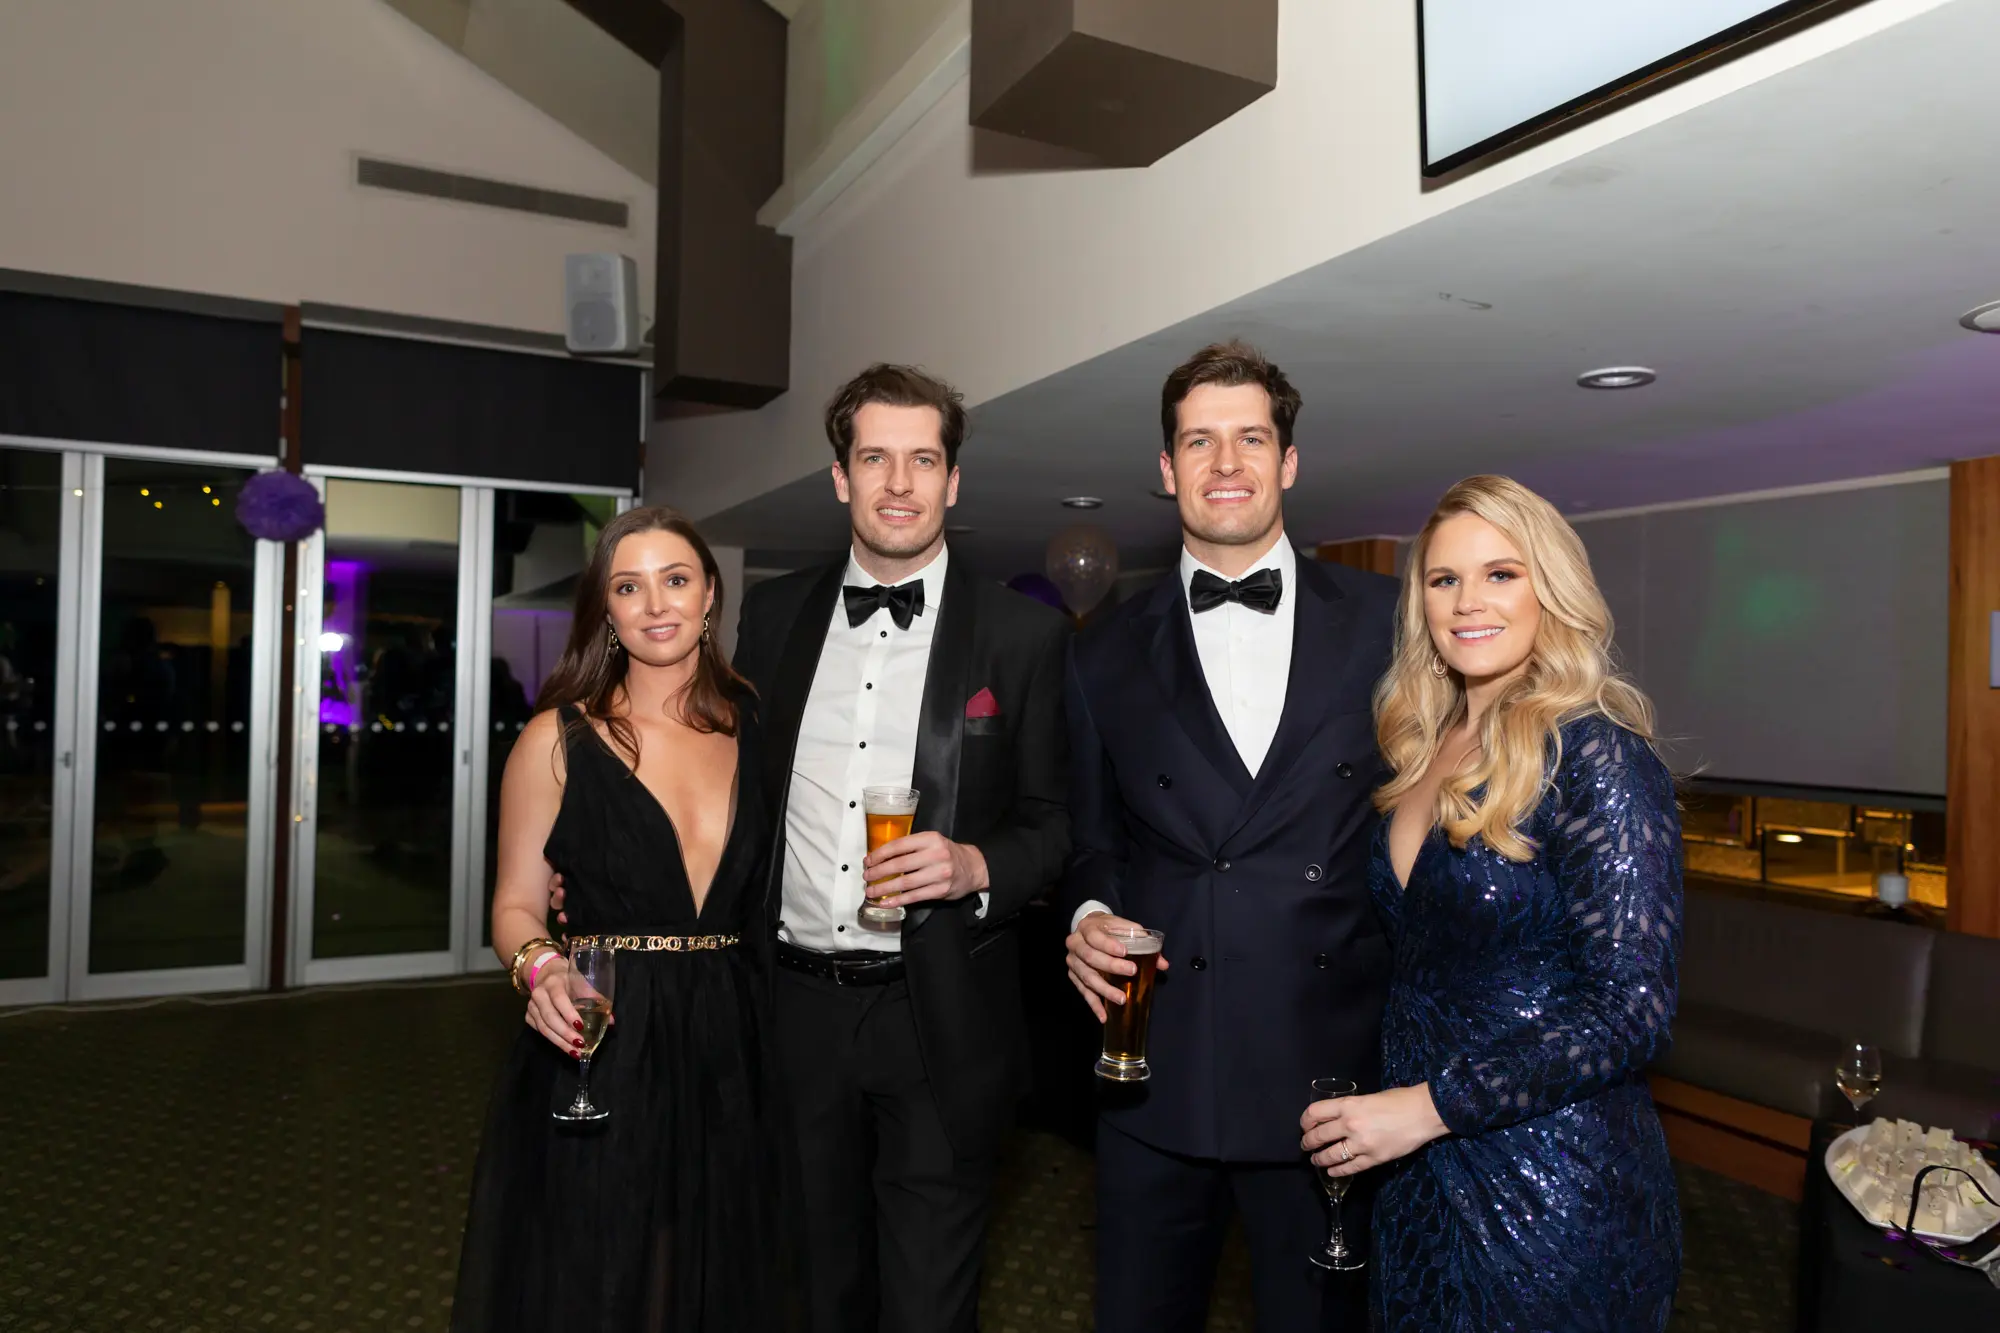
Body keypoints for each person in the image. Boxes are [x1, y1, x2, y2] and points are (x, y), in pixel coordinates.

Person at [1064, 341, 1397, 1332]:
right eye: (1197, 440)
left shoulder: (1389, 622)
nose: (1224, 462)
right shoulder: (1098, 650)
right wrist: (1085, 913)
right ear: (1165, 469)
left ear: (1287, 461)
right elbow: (1093, 839)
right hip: (1158, 1068)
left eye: (1249, 437)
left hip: (1329, 1068)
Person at [731, 363, 1071, 1332]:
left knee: (928, 1303)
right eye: (874, 457)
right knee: (813, 1290)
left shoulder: (1023, 637)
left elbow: (1054, 821)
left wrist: (973, 867)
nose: (898, 483)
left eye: (922, 459)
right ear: (839, 476)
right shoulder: (773, 616)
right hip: (792, 1007)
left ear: (952, 481)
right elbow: (737, 797)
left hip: (940, 1015)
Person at [1299, 474, 1682, 1332]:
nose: (1468, 601)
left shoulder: (1597, 755)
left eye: (1501, 573)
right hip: (1417, 1175)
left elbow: (1634, 1010)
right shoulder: (1424, 746)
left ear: (1550, 588)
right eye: (1444, 579)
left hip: (1551, 1189)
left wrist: (1428, 1107)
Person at [451, 506, 799, 1333]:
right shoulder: (555, 739)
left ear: (710, 594)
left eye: (675, 580)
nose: (656, 604)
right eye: (629, 586)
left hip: (734, 1034)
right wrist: (541, 969)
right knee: (607, 1271)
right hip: (607, 1033)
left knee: (721, 1270)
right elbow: (514, 903)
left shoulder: (758, 727)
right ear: (605, 610)